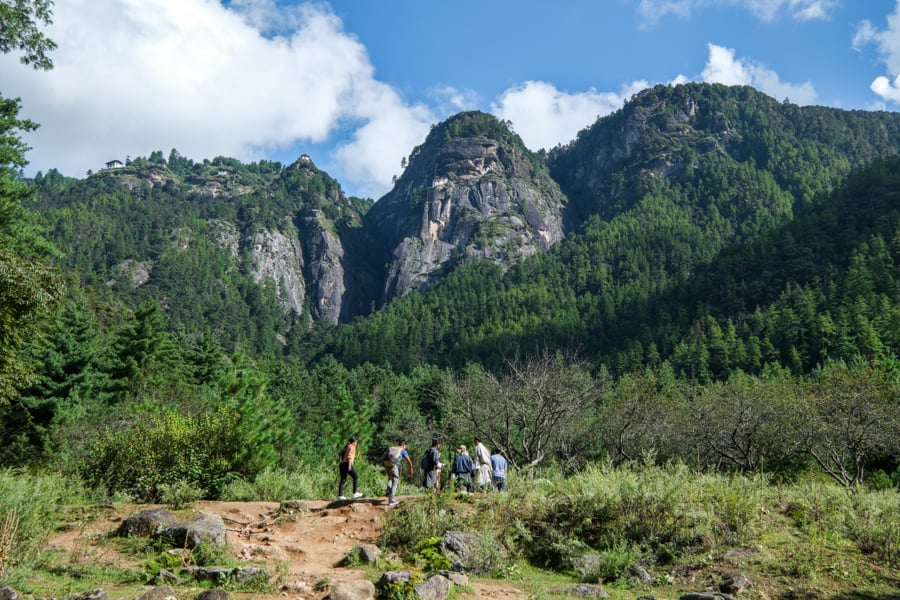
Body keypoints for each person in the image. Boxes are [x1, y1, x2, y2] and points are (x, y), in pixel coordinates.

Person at [385, 440, 414, 506]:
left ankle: (388, 491)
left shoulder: (393, 448)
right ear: (404, 445)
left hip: (387, 464)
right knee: (395, 481)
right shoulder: (403, 451)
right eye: (405, 446)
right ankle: (391, 500)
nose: (406, 447)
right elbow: (408, 460)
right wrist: (411, 468)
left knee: (390, 478)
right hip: (393, 465)